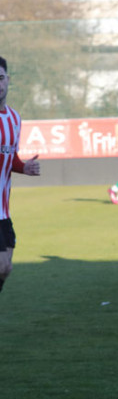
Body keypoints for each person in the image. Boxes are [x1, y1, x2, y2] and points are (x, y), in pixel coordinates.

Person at [0, 56, 40, 295]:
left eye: (1, 78)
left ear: (8, 80)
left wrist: (23, 167)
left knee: (6, 269)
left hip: (3, 210)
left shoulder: (14, 118)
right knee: (2, 265)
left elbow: (11, 157)